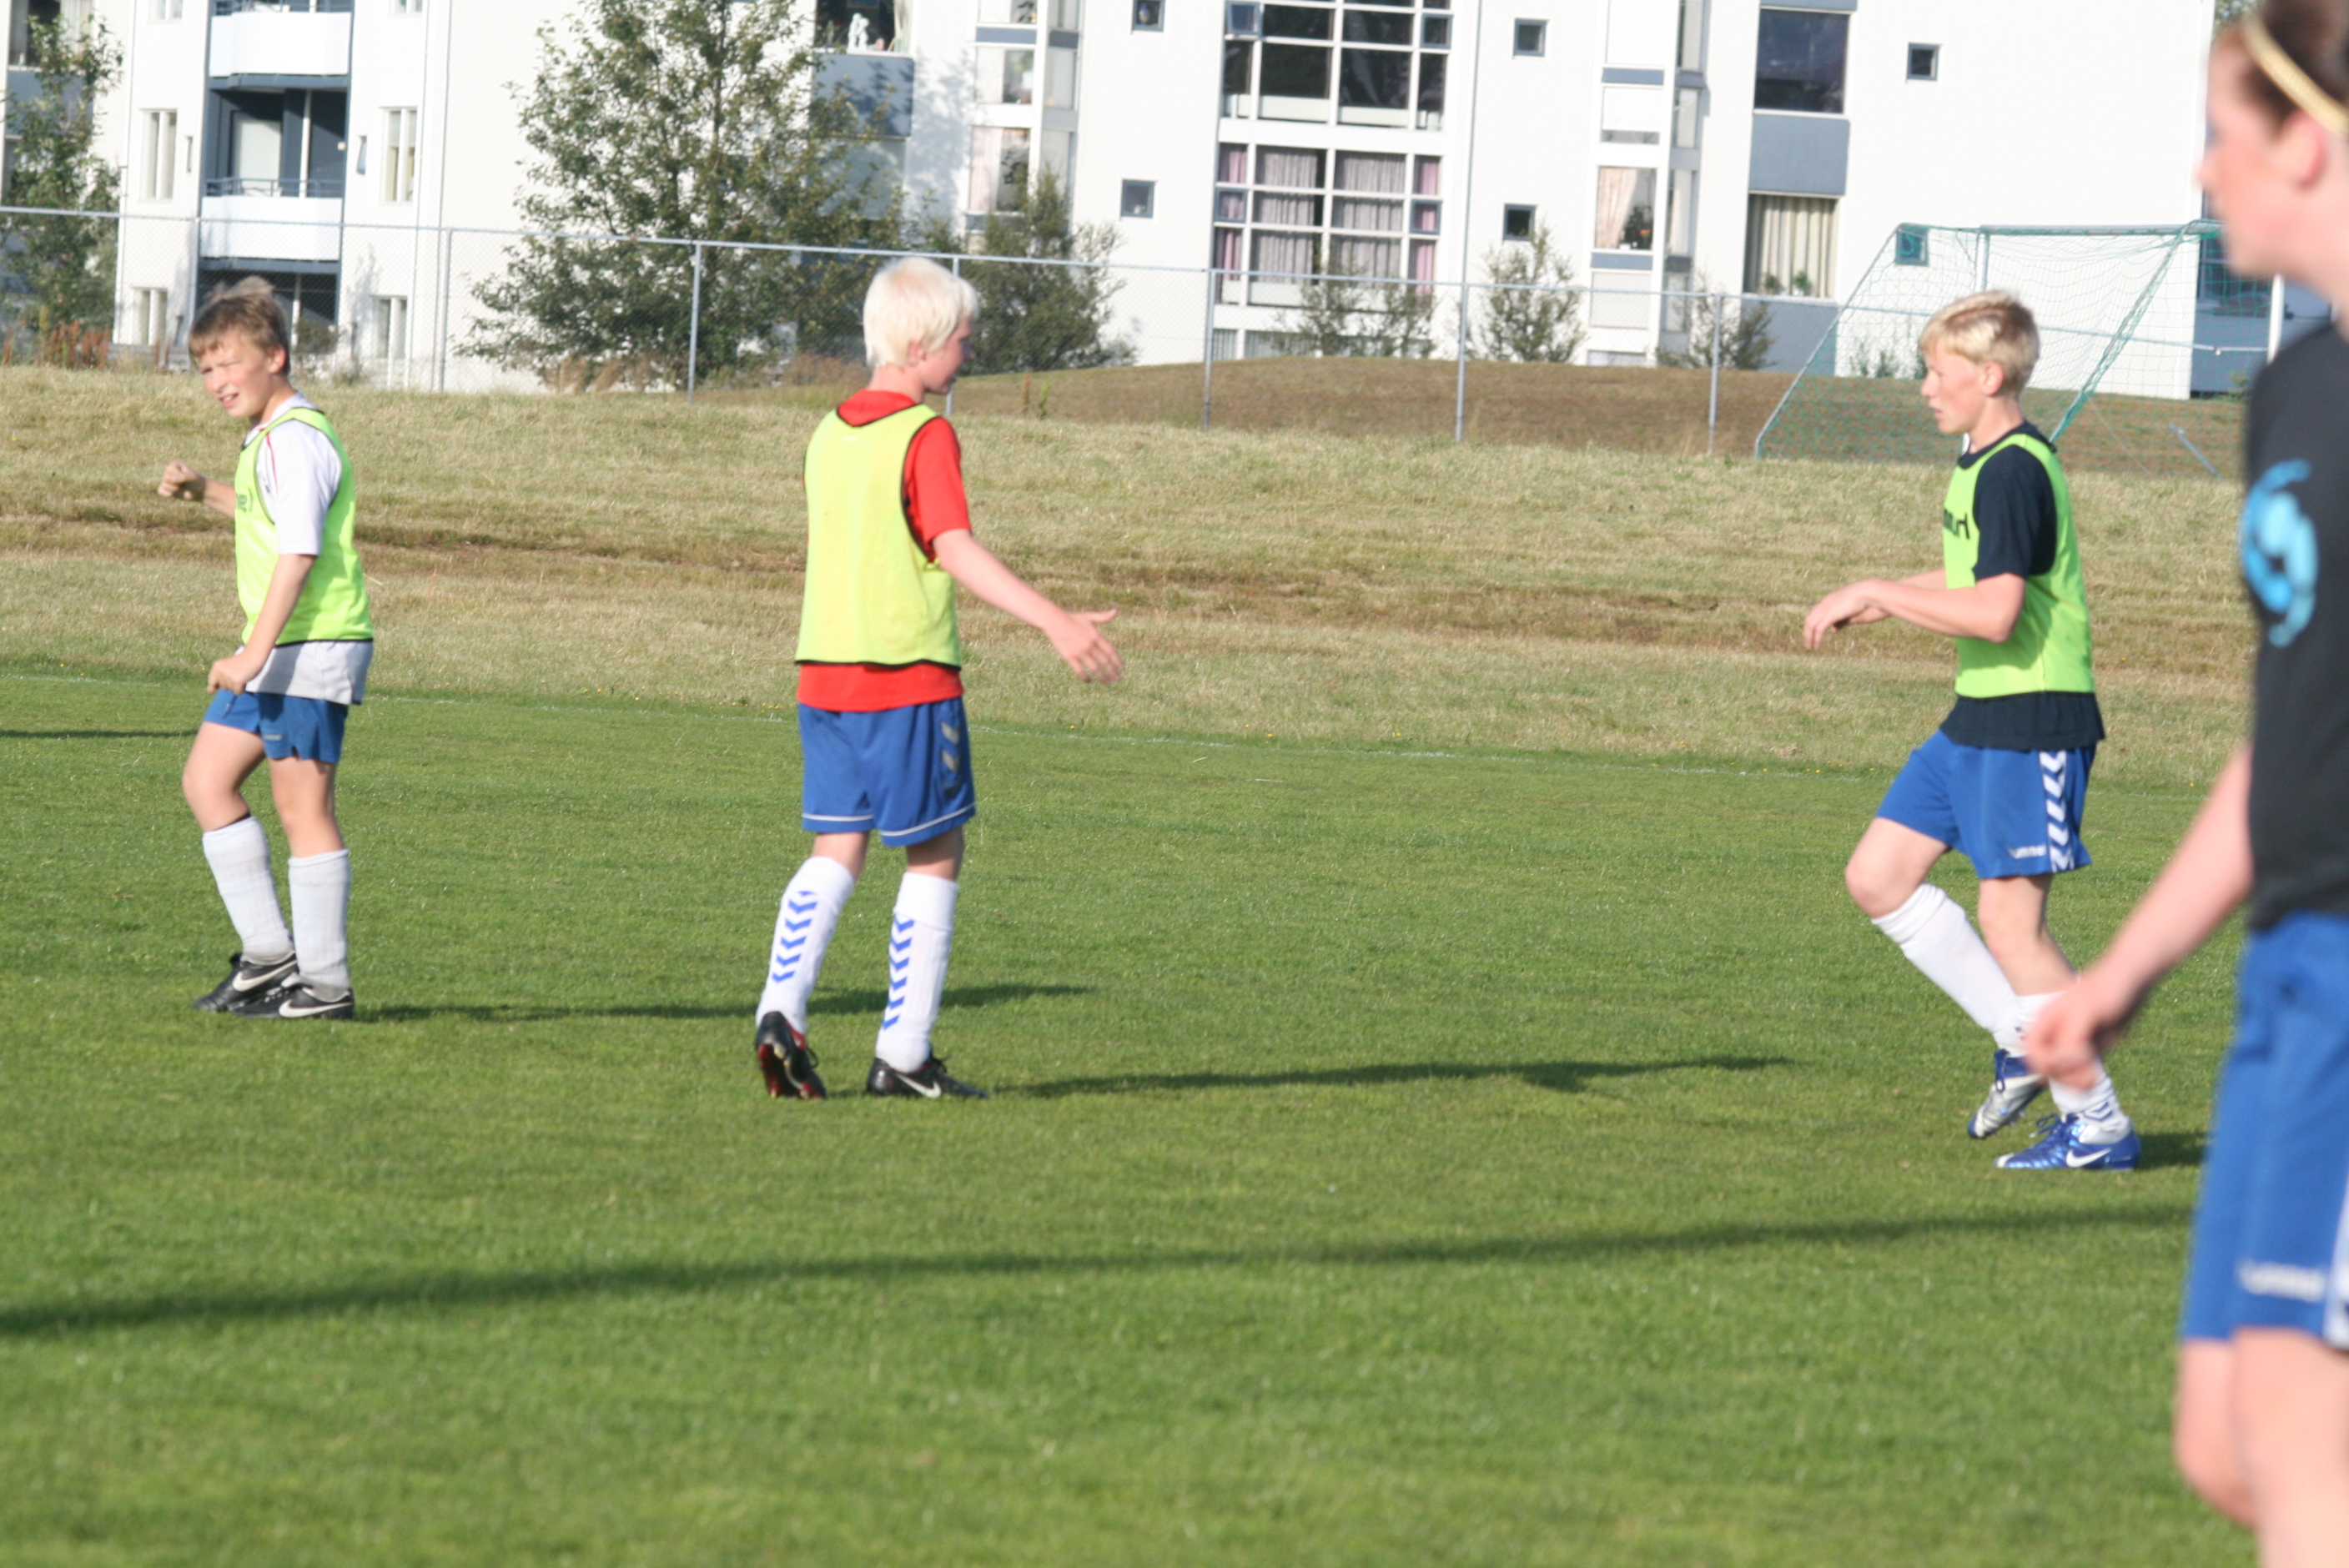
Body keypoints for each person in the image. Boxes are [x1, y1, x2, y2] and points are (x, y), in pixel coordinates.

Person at [2028, 5, 2349, 1555]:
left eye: (2223, 133)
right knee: (2224, 1441)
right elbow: (2291, 734)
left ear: (2309, 140)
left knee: (2300, 1436)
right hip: (2290, 969)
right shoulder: (2296, 395)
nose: (2202, 170)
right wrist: (2124, 972)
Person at [752, 257, 1121, 1101]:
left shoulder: (828, 431)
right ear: (920, 345)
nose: (969, 354)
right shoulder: (924, 434)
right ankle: (904, 1054)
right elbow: (951, 546)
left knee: (836, 848)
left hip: (824, 675)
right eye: (962, 339)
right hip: (905, 678)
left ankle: (779, 1008)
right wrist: (1054, 618)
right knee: (934, 852)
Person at [1802, 291, 2135, 1170]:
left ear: (1988, 376)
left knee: (2011, 926)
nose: (1923, 387)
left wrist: (1876, 589)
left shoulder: (2014, 469)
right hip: (1978, 715)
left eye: (1935, 371)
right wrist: (1883, 597)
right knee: (1878, 875)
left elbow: (1995, 613)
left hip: (2033, 721)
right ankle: (2021, 1038)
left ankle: (2097, 1122)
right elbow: (1974, 575)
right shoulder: (1978, 462)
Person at [158, 279, 372, 1021]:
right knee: (207, 782)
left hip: (312, 644)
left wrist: (252, 654)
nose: (217, 381)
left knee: (302, 807)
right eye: (205, 369)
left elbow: (300, 551)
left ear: (275, 357)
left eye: (229, 363)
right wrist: (205, 490)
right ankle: (268, 956)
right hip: (281, 646)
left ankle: (326, 986)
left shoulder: (297, 439)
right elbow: (263, 513)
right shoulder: (266, 438)